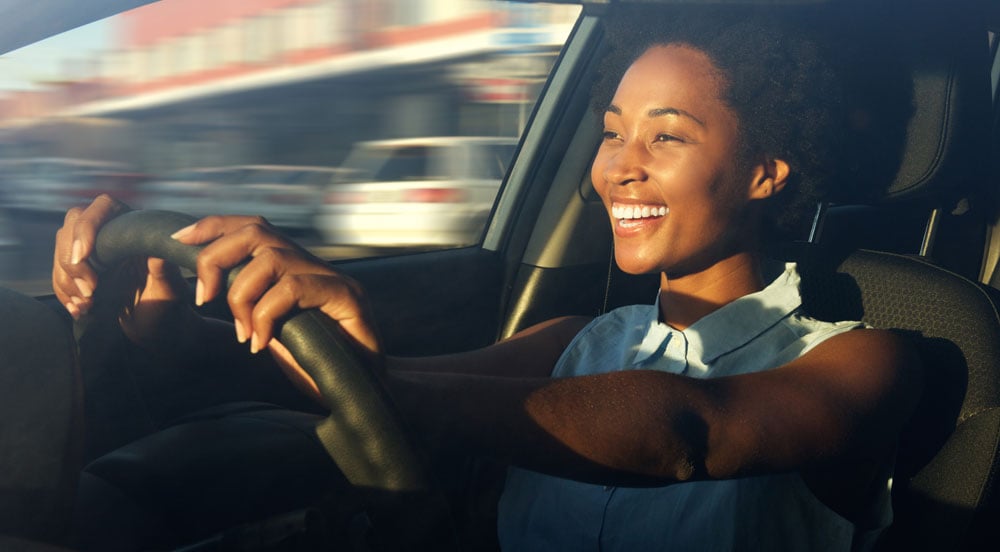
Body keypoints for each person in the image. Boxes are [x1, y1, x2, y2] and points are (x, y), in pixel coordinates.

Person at [52, 6, 921, 551]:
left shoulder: (863, 361)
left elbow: (689, 432)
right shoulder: (580, 342)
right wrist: (180, 331)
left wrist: (377, 380)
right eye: (611, 132)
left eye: (666, 136)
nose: (618, 166)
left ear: (766, 173)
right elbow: (378, 391)